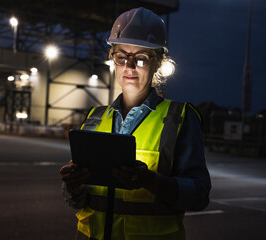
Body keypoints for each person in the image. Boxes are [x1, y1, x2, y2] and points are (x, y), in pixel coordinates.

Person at [59, 7, 211, 240]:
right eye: (122, 56)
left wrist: (151, 181)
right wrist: (74, 186)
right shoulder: (94, 118)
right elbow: (78, 201)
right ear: (113, 59)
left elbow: (199, 195)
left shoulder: (179, 118)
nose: (129, 67)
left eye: (140, 58)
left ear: (158, 63)